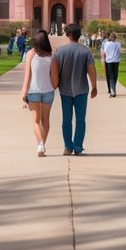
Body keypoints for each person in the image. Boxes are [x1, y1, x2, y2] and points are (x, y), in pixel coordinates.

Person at [50, 22, 97, 155]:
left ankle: (68, 147)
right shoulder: (85, 51)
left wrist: (54, 84)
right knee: (80, 120)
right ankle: (77, 146)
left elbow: (54, 70)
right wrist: (94, 86)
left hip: (65, 90)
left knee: (66, 120)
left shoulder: (60, 51)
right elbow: (91, 70)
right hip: (81, 89)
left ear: (68, 35)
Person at [20, 29, 55, 156]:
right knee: (46, 121)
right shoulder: (51, 55)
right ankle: (41, 145)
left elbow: (27, 76)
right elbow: (53, 76)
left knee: (36, 121)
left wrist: (23, 93)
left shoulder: (31, 53)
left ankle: (40, 145)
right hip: (48, 91)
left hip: (34, 91)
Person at [100, 30, 122, 97]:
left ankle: (113, 90)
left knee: (112, 76)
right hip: (116, 61)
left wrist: (103, 60)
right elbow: (119, 51)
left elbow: (104, 53)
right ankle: (113, 90)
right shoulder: (118, 44)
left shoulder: (107, 44)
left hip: (109, 61)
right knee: (115, 75)